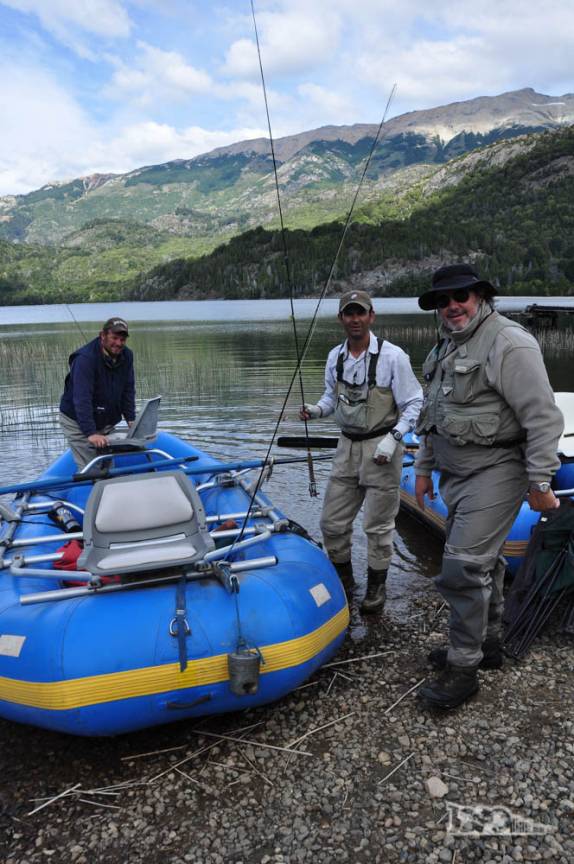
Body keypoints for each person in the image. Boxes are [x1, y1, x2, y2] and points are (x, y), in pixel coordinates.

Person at [414, 264, 564, 710]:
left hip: (497, 469)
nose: (451, 306)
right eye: (442, 300)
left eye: (460, 296)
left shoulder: (509, 342)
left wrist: (539, 480)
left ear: (481, 296)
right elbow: (431, 415)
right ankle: (489, 643)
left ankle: (463, 669)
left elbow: (543, 417)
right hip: (454, 473)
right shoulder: (445, 345)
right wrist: (422, 466)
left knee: (462, 567)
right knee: (486, 561)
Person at [300, 290, 423, 612]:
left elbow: (414, 403)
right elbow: (331, 399)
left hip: (383, 447)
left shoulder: (394, 357)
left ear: (371, 316)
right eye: (348, 313)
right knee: (332, 523)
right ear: (341, 318)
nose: (355, 319)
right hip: (346, 448)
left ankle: (376, 590)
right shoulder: (335, 357)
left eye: (361, 313)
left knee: (378, 527)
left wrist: (394, 437)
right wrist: (316, 410)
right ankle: (345, 581)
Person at [59, 317, 136, 470]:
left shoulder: (127, 355)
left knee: (108, 466)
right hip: (77, 421)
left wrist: (131, 418)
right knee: (92, 469)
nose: (118, 343)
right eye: (114, 338)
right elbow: (82, 399)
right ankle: (90, 485)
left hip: (104, 420)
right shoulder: (85, 360)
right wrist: (91, 433)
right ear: (102, 335)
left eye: (122, 339)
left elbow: (128, 389)